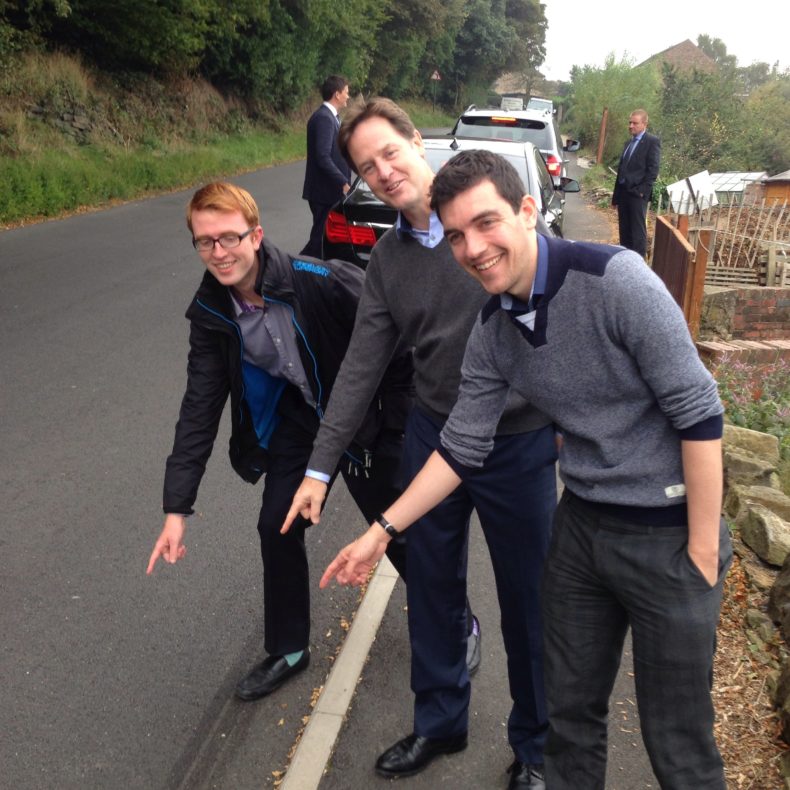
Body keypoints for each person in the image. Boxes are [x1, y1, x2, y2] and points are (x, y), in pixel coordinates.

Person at [323, 150, 732, 790]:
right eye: (456, 235)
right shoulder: (493, 331)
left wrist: (703, 553)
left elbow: (700, 415)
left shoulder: (616, 280)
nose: (473, 248)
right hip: (583, 528)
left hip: (668, 531)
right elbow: (460, 446)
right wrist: (380, 532)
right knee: (568, 716)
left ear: (527, 210)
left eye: (487, 224)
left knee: (676, 740)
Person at [284, 100, 556, 789]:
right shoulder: (388, 261)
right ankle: (440, 721)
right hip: (433, 433)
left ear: (416, 141)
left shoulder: (495, 229)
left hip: (517, 441)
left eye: (391, 151)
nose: (384, 171)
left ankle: (537, 745)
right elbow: (360, 368)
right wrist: (319, 467)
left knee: (529, 599)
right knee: (431, 588)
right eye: (366, 165)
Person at [146, 181, 415, 702]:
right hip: (303, 420)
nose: (219, 252)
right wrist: (176, 508)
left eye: (229, 237)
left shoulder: (322, 280)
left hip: (364, 420)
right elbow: (198, 409)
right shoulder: (211, 312)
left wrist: (395, 426)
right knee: (277, 523)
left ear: (256, 235)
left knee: (396, 529)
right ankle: (289, 649)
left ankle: (454, 627)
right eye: (205, 242)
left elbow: (399, 344)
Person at [300, 75, 352, 258]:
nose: (348, 96)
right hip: (324, 192)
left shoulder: (332, 117)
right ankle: (294, 271)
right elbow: (322, 157)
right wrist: (343, 182)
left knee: (321, 239)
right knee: (319, 240)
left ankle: (299, 269)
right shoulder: (324, 118)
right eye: (346, 92)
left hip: (328, 191)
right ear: (337, 94)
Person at [611, 109, 661, 257]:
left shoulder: (652, 142)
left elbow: (653, 169)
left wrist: (642, 191)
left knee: (637, 232)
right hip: (623, 194)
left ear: (644, 124)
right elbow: (621, 170)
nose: (631, 126)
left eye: (635, 123)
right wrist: (615, 197)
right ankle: (626, 261)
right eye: (630, 122)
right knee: (624, 230)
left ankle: (638, 263)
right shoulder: (628, 143)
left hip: (637, 195)